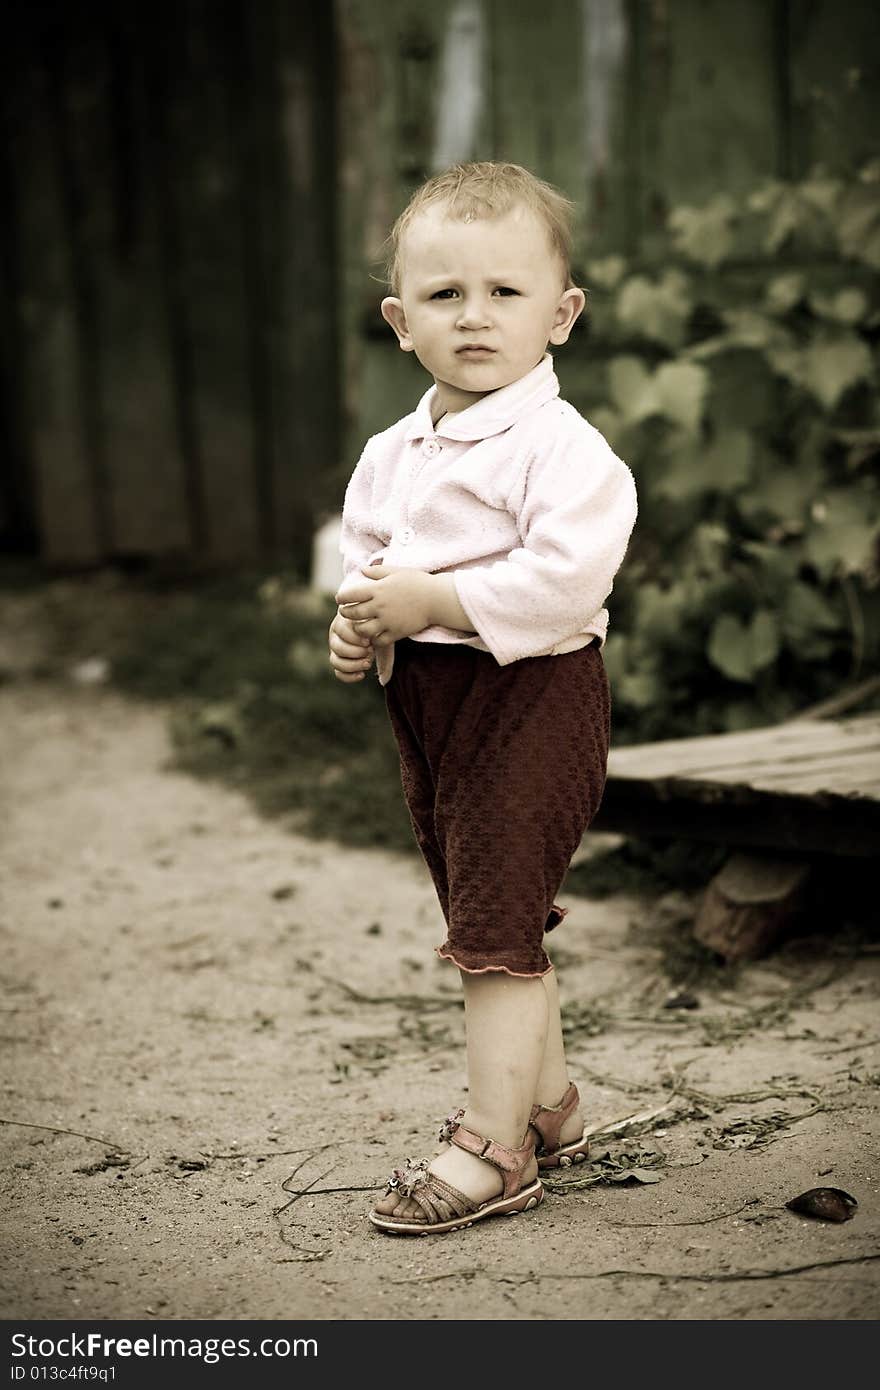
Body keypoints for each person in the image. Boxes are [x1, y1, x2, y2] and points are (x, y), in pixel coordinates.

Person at [328, 161, 637, 1235]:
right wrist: (360, 613)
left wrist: (436, 597)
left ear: (561, 314)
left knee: (494, 933)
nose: (474, 317)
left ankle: (495, 1146)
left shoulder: (563, 451)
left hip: (531, 699)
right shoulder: (392, 450)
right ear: (399, 321)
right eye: (445, 295)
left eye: (504, 293)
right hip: (433, 707)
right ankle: (549, 1105)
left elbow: (565, 583)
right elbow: (368, 556)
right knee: (483, 906)